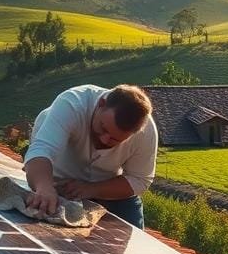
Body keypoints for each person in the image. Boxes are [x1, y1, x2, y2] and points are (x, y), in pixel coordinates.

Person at [23, 84, 156, 229]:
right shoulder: (72, 104)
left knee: (133, 247)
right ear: (101, 104)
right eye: (103, 128)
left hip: (109, 191)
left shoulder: (146, 131)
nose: (105, 139)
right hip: (56, 185)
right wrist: (44, 187)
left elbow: (140, 179)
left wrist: (92, 189)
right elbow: (41, 150)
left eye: (115, 140)